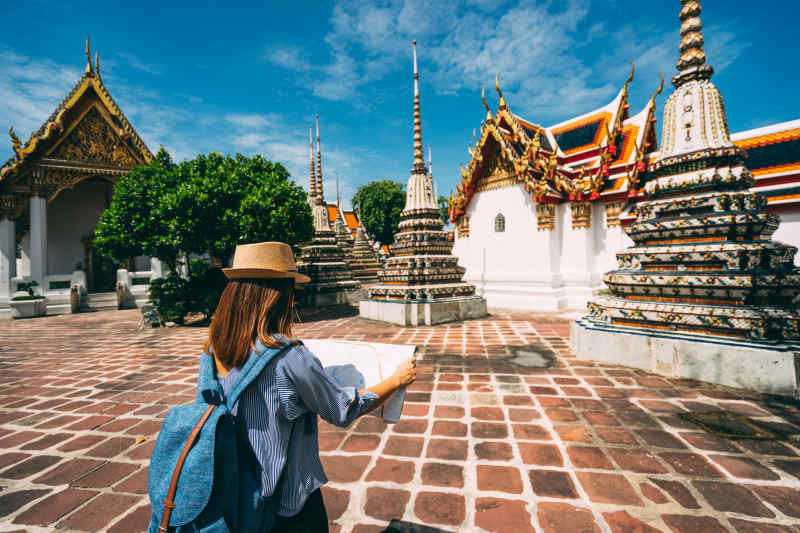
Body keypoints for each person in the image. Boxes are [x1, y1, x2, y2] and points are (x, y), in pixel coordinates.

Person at [207, 241, 416, 532]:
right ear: (279, 296)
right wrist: (396, 380)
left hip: (231, 489)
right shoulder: (289, 356)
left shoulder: (214, 349)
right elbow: (343, 410)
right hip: (282, 501)